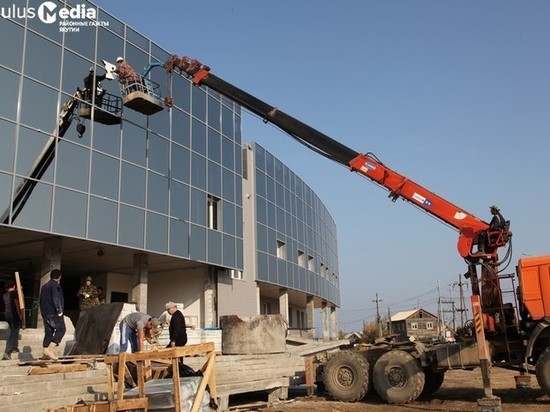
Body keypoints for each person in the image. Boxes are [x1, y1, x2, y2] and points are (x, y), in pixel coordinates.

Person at [39, 269, 66, 360]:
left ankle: (45, 354)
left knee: (49, 331)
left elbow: (41, 300)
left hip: (45, 312)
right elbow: (56, 298)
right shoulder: (56, 286)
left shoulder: (44, 286)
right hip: (53, 312)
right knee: (61, 329)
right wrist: (59, 311)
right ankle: (49, 349)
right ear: (59, 277)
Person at [2, 280, 23, 360]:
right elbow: (17, 304)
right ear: (14, 286)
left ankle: (14, 347)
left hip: (7, 315)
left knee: (15, 330)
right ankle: (8, 351)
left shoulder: (5, 295)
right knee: (14, 332)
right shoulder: (14, 293)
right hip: (14, 314)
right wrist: (20, 315)